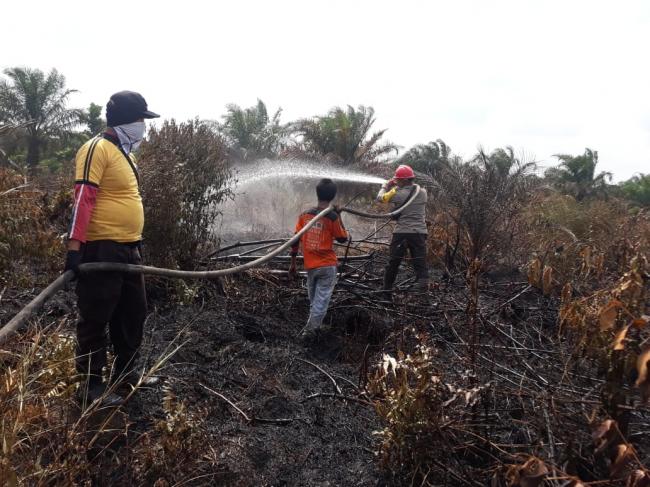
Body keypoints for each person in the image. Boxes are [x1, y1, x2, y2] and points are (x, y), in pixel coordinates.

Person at [65, 91, 159, 404]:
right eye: (140, 120)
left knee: (133, 312)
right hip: (102, 249)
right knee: (96, 315)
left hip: (130, 249)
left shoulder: (125, 154)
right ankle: (90, 387)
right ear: (125, 120)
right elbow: (84, 198)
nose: (142, 126)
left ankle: (126, 376)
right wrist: (75, 250)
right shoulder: (96, 149)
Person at [289, 179, 349, 340]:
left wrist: (293, 263)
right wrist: (339, 216)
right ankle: (310, 332)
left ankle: (312, 329)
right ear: (332, 196)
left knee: (315, 301)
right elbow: (343, 238)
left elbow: (295, 240)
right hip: (326, 267)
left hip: (311, 266)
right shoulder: (332, 217)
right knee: (319, 302)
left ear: (317, 194)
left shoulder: (304, 215)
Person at [376, 164, 429, 294]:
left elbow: (380, 198)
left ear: (405, 180)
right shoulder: (423, 192)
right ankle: (423, 293)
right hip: (419, 233)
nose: (396, 181)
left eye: (398, 179)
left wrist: (385, 186)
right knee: (420, 261)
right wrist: (395, 185)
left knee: (393, 263)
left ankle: (386, 292)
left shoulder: (398, 193)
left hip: (402, 232)